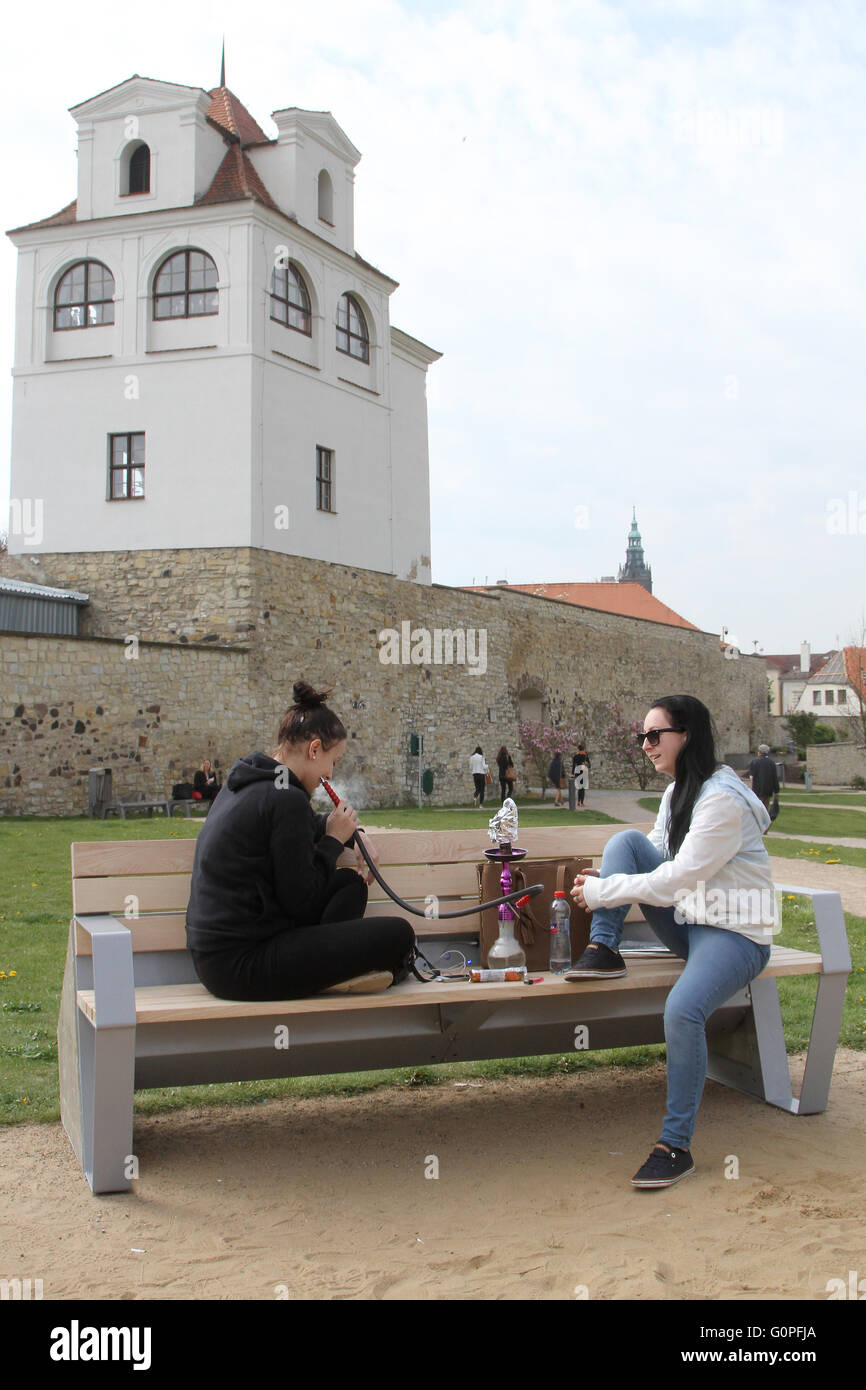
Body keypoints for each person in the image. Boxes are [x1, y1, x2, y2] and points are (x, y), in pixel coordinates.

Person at [565, 695, 775, 1190]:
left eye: (655, 735)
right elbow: (655, 857)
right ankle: (604, 950)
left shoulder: (721, 800)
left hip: (735, 934)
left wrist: (602, 891)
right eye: (642, 736)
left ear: (688, 736)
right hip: (690, 923)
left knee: (682, 1011)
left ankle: (675, 1146)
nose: (645, 745)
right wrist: (613, 879)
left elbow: (676, 879)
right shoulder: (677, 791)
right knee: (624, 844)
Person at [185, 681, 416, 1000]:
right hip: (243, 966)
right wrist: (334, 840)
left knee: (350, 884)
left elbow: (295, 829)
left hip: (216, 960)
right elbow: (303, 901)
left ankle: (326, 972)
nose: (330, 775)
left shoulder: (253, 782)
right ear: (314, 749)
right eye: (332, 761)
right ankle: (332, 974)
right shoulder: (287, 800)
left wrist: (353, 835)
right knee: (400, 934)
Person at [748, 744, 780, 821]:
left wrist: (750, 790)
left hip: (757, 790)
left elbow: (751, 778)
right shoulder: (771, 763)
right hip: (768, 790)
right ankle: (764, 826)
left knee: (757, 809)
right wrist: (776, 791)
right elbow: (775, 777)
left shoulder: (754, 762)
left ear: (759, 752)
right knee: (765, 809)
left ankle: (758, 826)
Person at [571, 744, 591, 808]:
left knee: (579, 787)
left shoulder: (575, 756)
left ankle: (578, 801)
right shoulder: (585, 755)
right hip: (583, 771)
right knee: (583, 788)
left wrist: (573, 774)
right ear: (583, 749)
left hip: (577, 771)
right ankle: (582, 802)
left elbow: (573, 765)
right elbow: (589, 764)